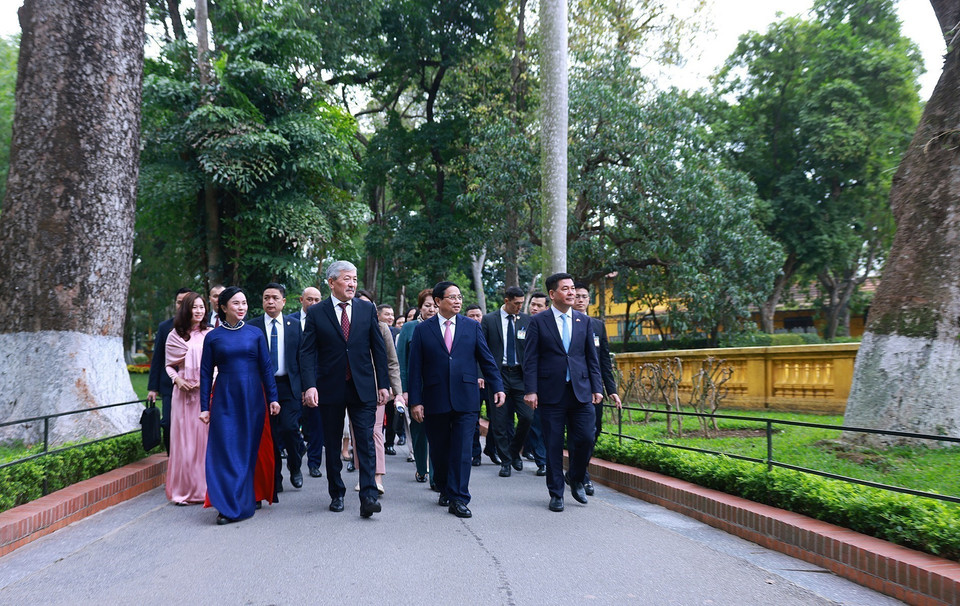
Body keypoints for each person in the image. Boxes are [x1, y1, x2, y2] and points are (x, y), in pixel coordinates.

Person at [300, 261, 390, 518]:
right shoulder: (317, 312)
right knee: (332, 441)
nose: (352, 284)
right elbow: (307, 353)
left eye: (355, 279)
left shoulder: (366, 308)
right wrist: (310, 386)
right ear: (331, 282)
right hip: (330, 387)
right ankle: (336, 492)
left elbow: (378, 349)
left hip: (362, 386)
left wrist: (383, 384)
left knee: (366, 441)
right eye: (347, 279)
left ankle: (369, 496)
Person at [407, 281, 504, 518]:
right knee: (439, 450)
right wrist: (416, 401)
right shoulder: (423, 330)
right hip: (435, 397)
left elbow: (487, 359)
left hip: (466, 398)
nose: (458, 301)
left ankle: (460, 498)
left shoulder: (472, 327)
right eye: (452, 297)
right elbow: (415, 368)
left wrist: (497, 386)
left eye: (459, 296)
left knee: (462, 450)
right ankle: (443, 486)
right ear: (438, 302)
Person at [199, 287, 281, 525]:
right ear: (224, 307)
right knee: (225, 450)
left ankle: (244, 499)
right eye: (236, 303)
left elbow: (267, 368)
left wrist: (273, 398)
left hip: (253, 398)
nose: (242, 307)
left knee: (247, 450)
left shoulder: (255, 334)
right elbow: (205, 374)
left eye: (244, 303)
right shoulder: (213, 337)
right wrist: (205, 406)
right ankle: (226, 505)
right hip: (224, 397)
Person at [523, 273, 603, 512]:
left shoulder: (583, 321)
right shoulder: (538, 322)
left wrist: (597, 387)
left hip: (581, 391)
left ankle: (576, 477)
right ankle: (556, 493)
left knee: (587, 438)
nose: (571, 293)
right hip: (550, 393)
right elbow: (530, 359)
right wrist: (531, 390)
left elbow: (591, 358)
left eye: (572, 289)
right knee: (554, 445)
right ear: (552, 294)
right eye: (565, 289)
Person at [249, 283, 304, 493]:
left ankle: (295, 465)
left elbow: (301, 357)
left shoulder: (294, 325)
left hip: (288, 386)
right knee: (270, 434)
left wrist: (306, 387)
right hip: (263, 388)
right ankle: (275, 476)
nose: (269, 302)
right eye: (266, 298)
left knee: (290, 428)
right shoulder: (253, 326)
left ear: (283, 301)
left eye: (274, 297)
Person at [480, 286, 538, 477]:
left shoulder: (527, 321)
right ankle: (506, 461)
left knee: (527, 416)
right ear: (506, 301)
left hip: (521, 377)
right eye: (516, 303)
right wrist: (481, 375)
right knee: (499, 421)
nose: (519, 307)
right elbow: (481, 350)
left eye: (522, 303)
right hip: (499, 376)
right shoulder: (489, 320)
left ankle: (514, 451)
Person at [352, 290, 404, 493]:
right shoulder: (345, 328)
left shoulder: (382, 328)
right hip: (352, 387)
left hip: (376, 389)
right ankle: (364, 475)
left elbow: (392, 362)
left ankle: (377, 477)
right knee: (359, 433)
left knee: (374, 432)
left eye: (367, 304)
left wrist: (397, 391)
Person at [573, 282, 623, 495]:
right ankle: (582, 477)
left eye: (584, 296)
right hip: (572, 387)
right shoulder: (563, 324)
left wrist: (611, 389)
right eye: (577, 296)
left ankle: (578, 470)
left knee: (594, 432)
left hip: (594, 388)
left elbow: (604, 361)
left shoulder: (597, 325)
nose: (581, 300)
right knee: (580, 433)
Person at [163, 291, 212, 504]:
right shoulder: (175, 335)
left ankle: (204, 489)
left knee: (203, 441)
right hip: (182, 395)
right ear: (186, 309)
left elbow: (218, 364)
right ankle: (182, 490)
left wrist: (206, 380)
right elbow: (168, 366)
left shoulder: (211, 333)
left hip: (204, 393)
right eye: (195, 307)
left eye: (202, 307)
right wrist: (177, 380)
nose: (199, 311)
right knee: (184, 442)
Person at [397, 289, 437, 483]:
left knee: (439, 430)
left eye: (435, 305)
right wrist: (403, 390)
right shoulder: (409, 328)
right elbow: (401, 362)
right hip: (415, 386)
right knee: (419, 429)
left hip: (438, 386)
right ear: (420, 307)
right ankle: (422, 468)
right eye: (427, 305)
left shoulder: (444, 326)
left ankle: (437, 476)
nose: (431, 309)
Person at [147, 288, 191, 453]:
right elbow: (157, 358)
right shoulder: (165, 327)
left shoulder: (203, 328)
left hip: (195, 386)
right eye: (179, 302)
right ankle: (172, 457)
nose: (182, 306)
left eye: (186, 302)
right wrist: (153, 388)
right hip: (169, 386)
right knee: (169, 423)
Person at [289, 286, 324, 478]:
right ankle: (296, 450)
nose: (313, 303)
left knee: (316, 424)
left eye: (317, 300)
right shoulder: (289, 322)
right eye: (309, 299)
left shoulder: (324, 320)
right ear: (301, 300)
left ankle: (314, 463)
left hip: (317, 380)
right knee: (291, 424)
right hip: (293, 381)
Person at [521, 292, 549, 469]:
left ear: (547, 307)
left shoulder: (552, 325)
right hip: (528, 382)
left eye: (539, 305)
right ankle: (542, 461)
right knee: (535, 421)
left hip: (551, 382)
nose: (534, 308)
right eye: (533, 304)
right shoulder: (524, 323)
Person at [464, 304, 490, 466]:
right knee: (473, 420)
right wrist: (478, 376)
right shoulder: (465, 332)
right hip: (472, 383)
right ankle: (475, 453)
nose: (475, 319)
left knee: (498, 419)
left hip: (492, 383)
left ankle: (492, 448)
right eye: (471, 316)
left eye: (478, 315)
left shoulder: (490, 330)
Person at [377, 303, 401, 455]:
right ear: (378, 315)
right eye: (387, 314)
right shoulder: (375, 328)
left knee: (392, 415)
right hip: (373, 382)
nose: (390, 317)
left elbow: (393, 361)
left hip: (390, 381)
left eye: (392, 314)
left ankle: (389, 442)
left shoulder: (396, 332)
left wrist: (396, 387)